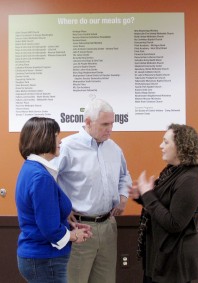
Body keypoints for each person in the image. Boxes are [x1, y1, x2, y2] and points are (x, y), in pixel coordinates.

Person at [53, 99, 132, 283]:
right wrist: (61, 209)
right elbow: (47, 180)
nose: (110, 129)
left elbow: (124, 176)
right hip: (79, 228)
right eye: (105, 124)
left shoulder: (114, 149)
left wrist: (123, 197)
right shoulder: (67, 147)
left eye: (112, 123)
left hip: (108, 227)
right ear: (88, 122)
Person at [15, 117, 92, 283]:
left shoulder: (31, 169)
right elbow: (49, 229)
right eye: (56, 136)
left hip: (39, 258)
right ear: (43, 139)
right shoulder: (41, 177)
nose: (60, 141)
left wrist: (68, 225)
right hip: (45, 259)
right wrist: (73, 235)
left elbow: (43, 216)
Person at [129, 124, 198, 283]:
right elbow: (159, 204)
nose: (161, 146)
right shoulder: (173, 171)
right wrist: (141, 196)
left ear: (181, 146)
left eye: (166, 142)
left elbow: (174, 223)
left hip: (175, 258)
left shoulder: (191, 179)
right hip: (161, 254)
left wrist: (147, 194)